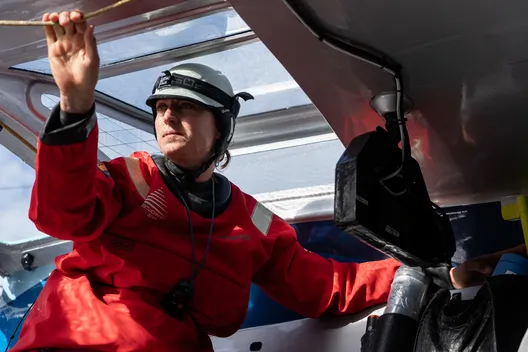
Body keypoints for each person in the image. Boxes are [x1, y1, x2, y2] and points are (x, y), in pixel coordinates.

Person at [10, 10, 526, 352]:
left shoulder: (249, 223)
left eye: (186, 109)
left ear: (223, 128)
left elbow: (327, 288)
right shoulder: (126, 180)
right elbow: (61, 211)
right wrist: (76, 105)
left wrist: (437, 271)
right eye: (162, 108)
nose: (167, 117)